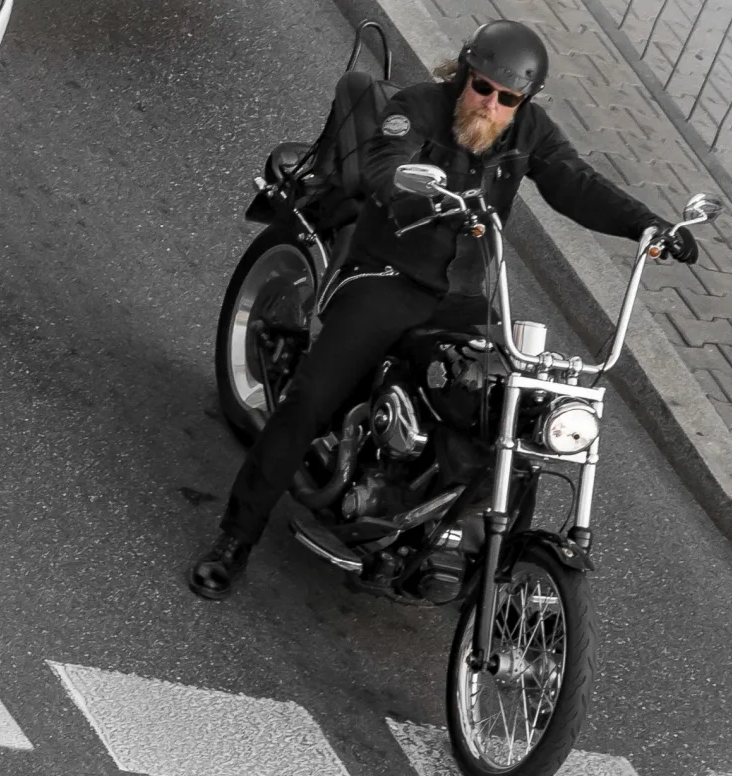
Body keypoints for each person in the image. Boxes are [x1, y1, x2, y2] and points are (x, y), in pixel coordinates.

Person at [188, 19, 699, 600]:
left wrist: (648, 226)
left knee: (503, 414)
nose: (491, 104)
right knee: (309, 399)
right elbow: (385, 158)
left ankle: (461, 553)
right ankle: (235, 538)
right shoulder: (420, 106)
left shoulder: (528, 130)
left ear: (524, 102)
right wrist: (406, 180)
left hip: (465, 297)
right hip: (387, 276)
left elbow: (576, 183)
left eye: (508, 98)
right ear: (464, 73)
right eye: (483, 87)